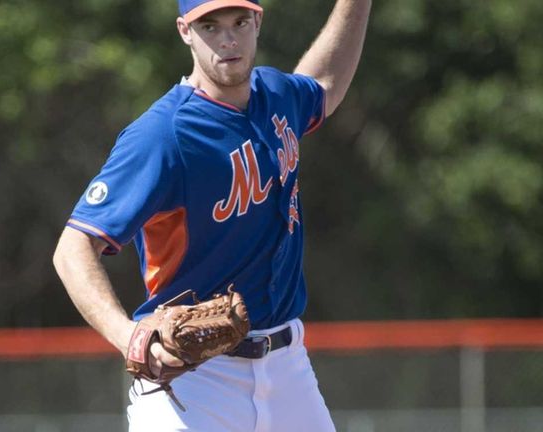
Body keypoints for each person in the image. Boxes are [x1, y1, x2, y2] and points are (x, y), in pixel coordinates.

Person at [53, 0, 371, 430]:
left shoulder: (277, 97)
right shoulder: (164, 135)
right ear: (185, 31)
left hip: (289, 370)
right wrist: (129, 337)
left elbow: (323, 82)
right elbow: (73, 248)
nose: (228, 39)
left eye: (239, 22)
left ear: (257, 22)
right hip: (194, 382)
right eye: (210, 25)